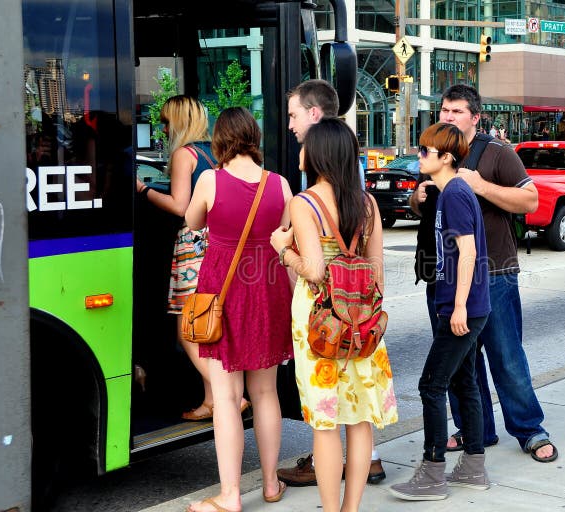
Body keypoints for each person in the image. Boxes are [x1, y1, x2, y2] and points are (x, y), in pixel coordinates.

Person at [411, 84, 556, 463]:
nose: (448, 116)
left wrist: (482, 186)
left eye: (457, 111)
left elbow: (531, 199)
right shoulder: (436, 153)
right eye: (444, 110)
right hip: (443, 274)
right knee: (461, 363)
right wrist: (418, 197)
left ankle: (529, 429)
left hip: (495, 273)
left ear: (475, 117)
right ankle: (475, 429)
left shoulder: (497, 152)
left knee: (506, 356)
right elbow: (419, 204)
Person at [270, 117, 398, 512]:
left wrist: (281, 247)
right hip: (363, 320)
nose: (300, 150)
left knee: (325, 424)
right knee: (358, 421)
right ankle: (351, 508)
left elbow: (312, 269)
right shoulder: (368, 204)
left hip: (320, 322)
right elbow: (377, 273)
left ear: (320, 153)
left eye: (305, 143)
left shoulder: (305, 202)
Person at [185, 107, 294, 512]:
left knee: (227, 398)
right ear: (254, 136)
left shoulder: (210, 180)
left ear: (220, 140)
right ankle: (269, 483)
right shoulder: (280, 184)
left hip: (224, 292)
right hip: (267, 289)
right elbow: (283, 237)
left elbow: (191, 221)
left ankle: (230, 495)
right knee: (265, 392)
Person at [391, 123, 491, 501]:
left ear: (445, 157)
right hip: (458, 304)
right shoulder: (447, 191)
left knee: (430, 386)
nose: (419, 156)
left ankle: (433, 473)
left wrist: (460, 305)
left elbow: (468, 253)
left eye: (424, 151)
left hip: (461, 307)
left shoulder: (455, 194)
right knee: (463, 383)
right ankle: (473, 467)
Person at [136, 95, 248, 420]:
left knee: (188, 325)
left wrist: (142, 189)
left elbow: (180, 207)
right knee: (207, 322)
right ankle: (210, 401)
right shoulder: (214, 153)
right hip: (218, 243)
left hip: (194, 245)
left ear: (178, 122)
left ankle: (227, 395)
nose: (163, 128)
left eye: (166, 121)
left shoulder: (184, 154)